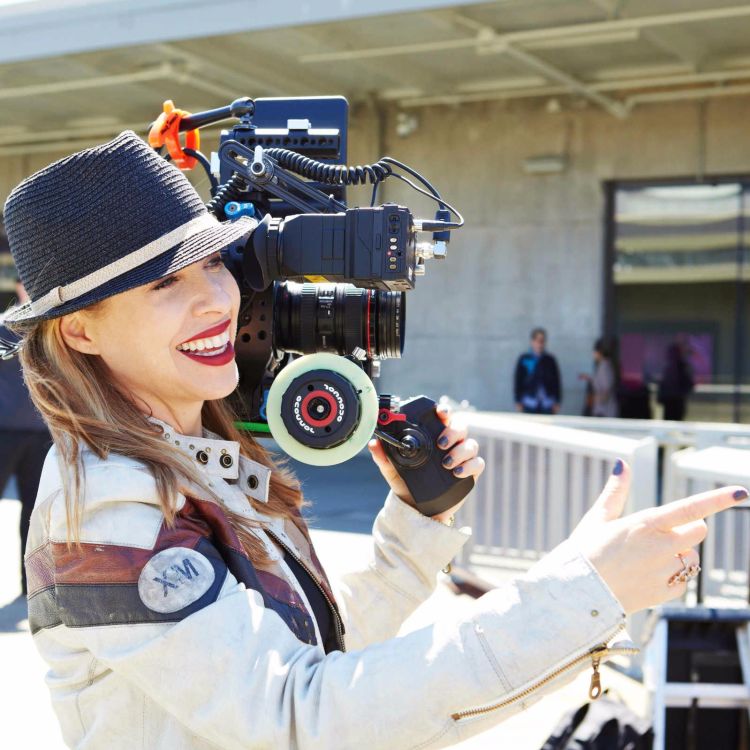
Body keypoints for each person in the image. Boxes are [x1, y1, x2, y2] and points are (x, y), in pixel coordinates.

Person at [4, 132, 746, 750]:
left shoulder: (198, 461)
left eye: (212, 264)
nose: (215, 299)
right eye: (164, 283)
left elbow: (310, 655)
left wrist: (414, 534)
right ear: (79, 328)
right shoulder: (102, 510)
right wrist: (584, 593)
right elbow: (300, 715)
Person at [0, 278, 51, 595]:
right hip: (4, 431)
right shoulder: (5, 328)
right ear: (19, 288)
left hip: (42, 434)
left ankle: (29, 583)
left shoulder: (51, 328)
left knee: (35, 515)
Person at [514, 327, 562, 414]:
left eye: (542, 341)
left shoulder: (550, 360)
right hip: (529, 401)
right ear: (532, 342)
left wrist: (557, 401)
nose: (539, 344)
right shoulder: (524, 359)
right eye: (537, 341)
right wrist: (518, 400)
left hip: (547, 403)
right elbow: (518, 380)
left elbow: (556, 381)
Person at [579, 338, 619, 418]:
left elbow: (606, 392)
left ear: (599, 352)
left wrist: (593, 399)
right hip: (602, 410)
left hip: (604, 412)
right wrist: (589, 378)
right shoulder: (603, 366)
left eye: (594, 352)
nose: (593, 354)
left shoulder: (604, 367)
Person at [658, 342, 694, 421]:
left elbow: (689, 384)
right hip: (670, 402)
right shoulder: (668, 368)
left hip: (676, 402)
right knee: (669, 426)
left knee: (674, 425)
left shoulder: (682, 367)